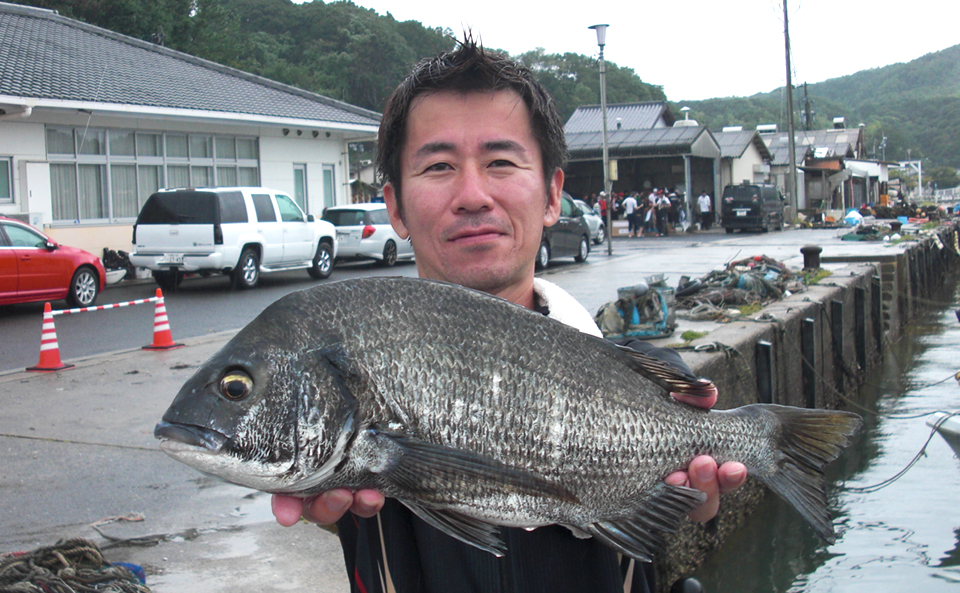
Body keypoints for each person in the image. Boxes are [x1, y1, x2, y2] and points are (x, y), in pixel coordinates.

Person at [272, 38, 747, 593]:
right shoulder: (357, 376)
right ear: (396, 205)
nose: (473, 194)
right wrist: (321, 497)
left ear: (551, 194)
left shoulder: (645, 377)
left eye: (501, 162)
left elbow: (683, 513)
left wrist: (697, 499)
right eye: (439, 165)